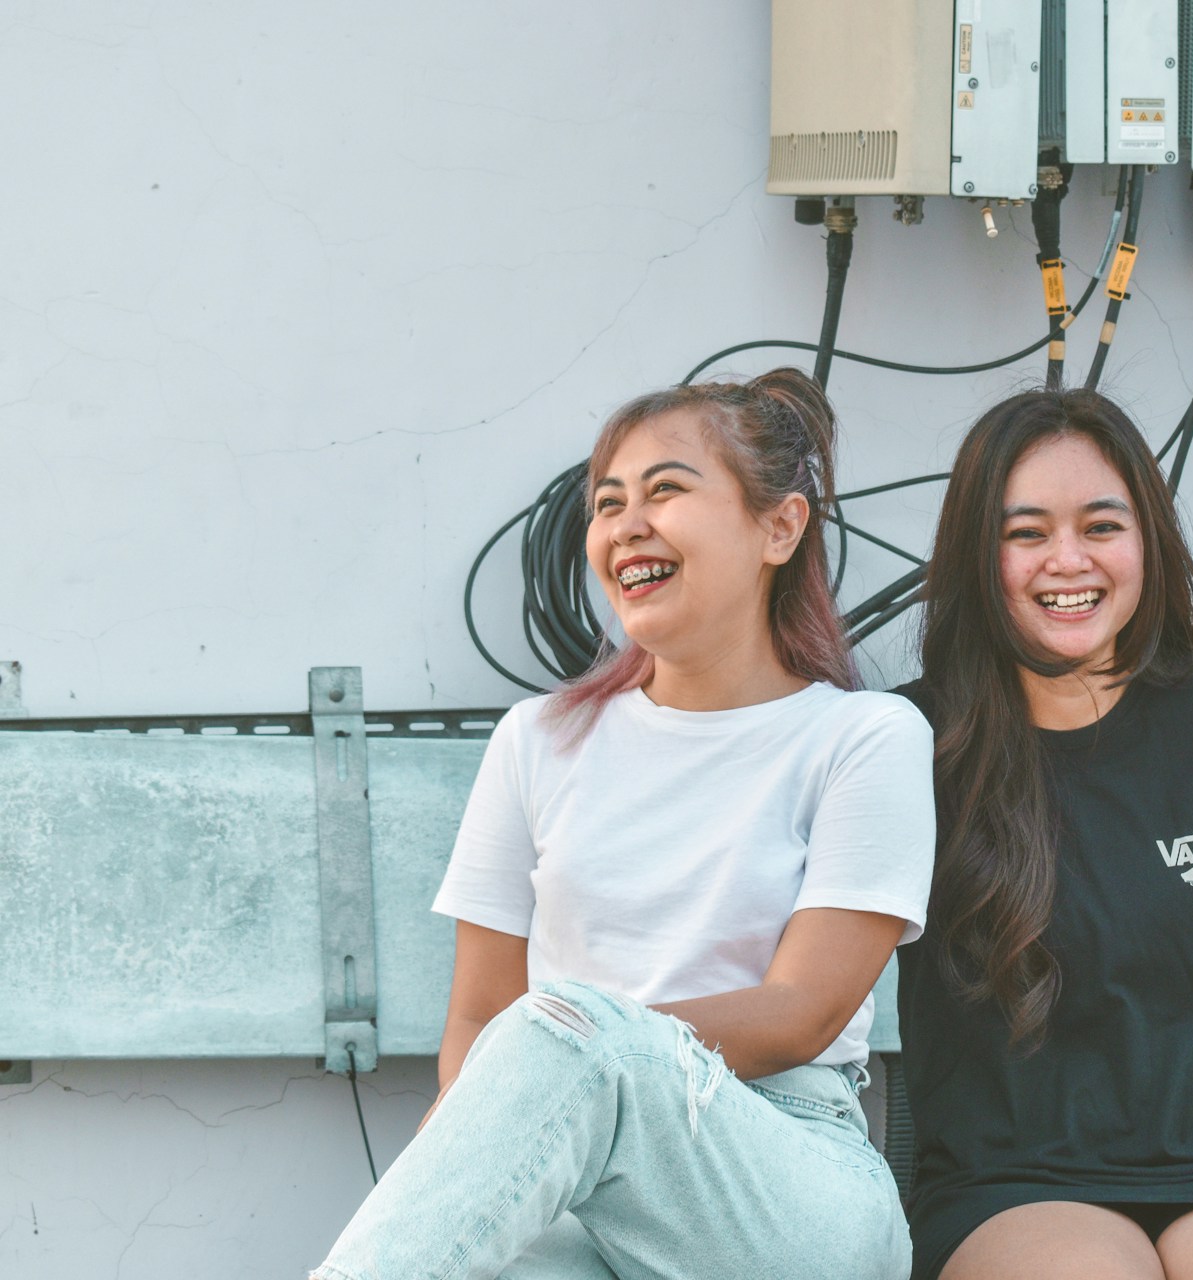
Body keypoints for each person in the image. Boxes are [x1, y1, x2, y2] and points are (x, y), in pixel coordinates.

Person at [312, 370, 934, 1280]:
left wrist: (584, 1050)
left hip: (784, 1176)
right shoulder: (537, 740)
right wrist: (479, 1143)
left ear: (780, 527)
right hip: (568, 1179)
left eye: (665, 490)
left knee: (555, 1031)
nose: (626, 525)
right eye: (608, 504)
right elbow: (479, 1016)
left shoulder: (863, 737)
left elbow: (802, 1013)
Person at [895, 389, 1193, 1280]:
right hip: (1009, 1179)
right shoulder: (911, 741)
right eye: (1026, 533)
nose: (1067, 560)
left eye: (1101, 526)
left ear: (1148, 539)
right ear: (976, 555)